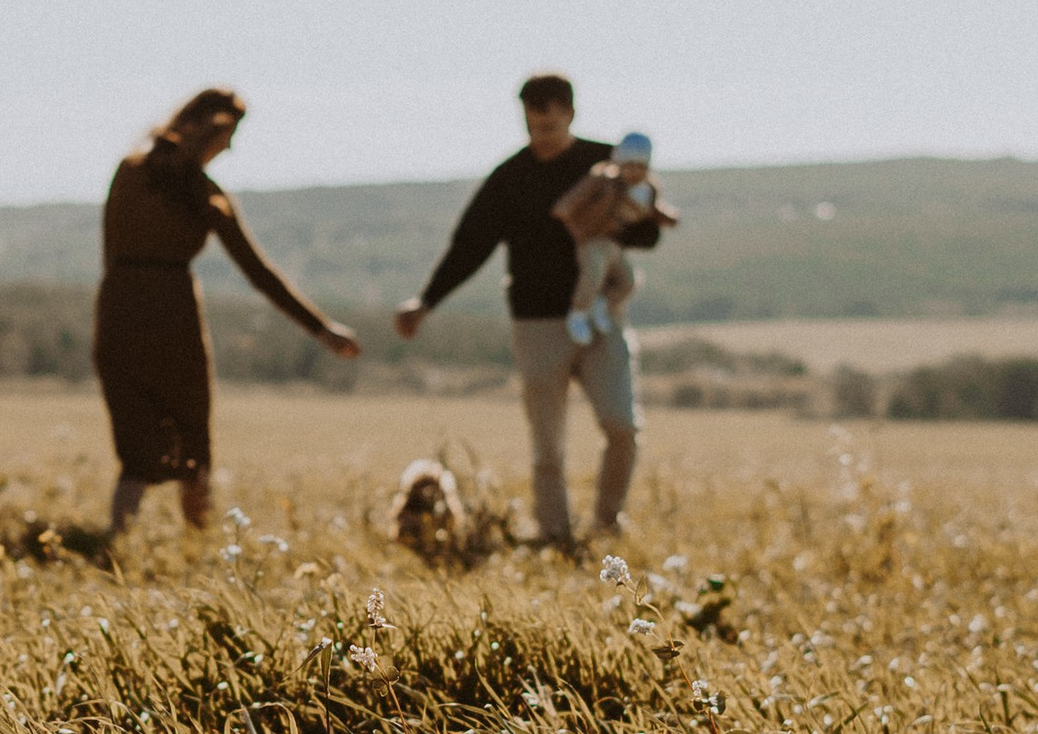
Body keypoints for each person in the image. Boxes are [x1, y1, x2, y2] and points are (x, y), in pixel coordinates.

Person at [393, 73, 669, 545]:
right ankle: (555, 535)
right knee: (547, 445)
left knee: (622, 425)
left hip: (602, 317)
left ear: (571, 115)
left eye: (549, 126)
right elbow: (470, 244)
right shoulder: (511, 176)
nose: (539, 137)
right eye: (532, 127)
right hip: (536, 322)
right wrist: (427, 300)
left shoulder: (604, 164)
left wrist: (607, 224)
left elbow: (649, 231)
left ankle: (607, 527)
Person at [94, 88, 359, 536]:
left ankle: (123, 545)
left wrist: (321, 328)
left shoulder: (136, 172)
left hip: (120, 307)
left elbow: (257, 272)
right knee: (190, 433)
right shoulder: (197, 191)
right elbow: (259, 272)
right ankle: (184, 544)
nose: (230, 147)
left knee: (140, 434)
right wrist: (322, 330)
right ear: (206, 128)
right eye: (228, 135)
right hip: (167, 316)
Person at [555, 129, 671, 346]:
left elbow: (653, 210)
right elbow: (564, 208)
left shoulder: (647, 189)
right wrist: (580, 231)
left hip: (614, 244)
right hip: (593, 240)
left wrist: (667, 218)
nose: (635, 172)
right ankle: (578, 314)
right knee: (592, 275)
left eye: (641, 166)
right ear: (619, 162)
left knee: (628, 282)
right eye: (630, 165)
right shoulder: (602, 179)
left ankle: (601, 306)